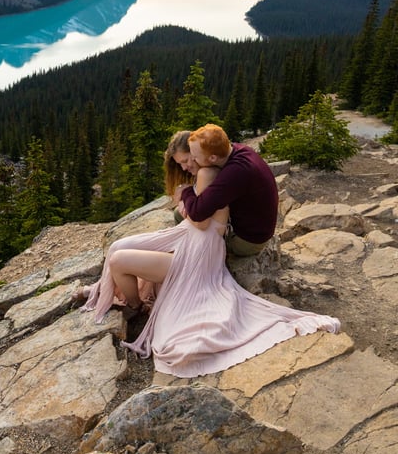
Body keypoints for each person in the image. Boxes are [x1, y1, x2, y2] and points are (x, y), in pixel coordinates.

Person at [73, 131, 340, 378]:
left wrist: (186, 195)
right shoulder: (219, 164)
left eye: (189, 160)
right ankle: (102, 289)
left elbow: (201, 220)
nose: (186, 166)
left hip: (203, 253)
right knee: (119, 247)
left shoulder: (212, 175)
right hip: (193, 242)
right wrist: (187, 200)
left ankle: (134, 305)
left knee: (120, 257)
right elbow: (195, 215)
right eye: (182, 162)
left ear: (207, 156)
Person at [179, 123, 279, 257]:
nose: (193, 160)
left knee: (180, 214)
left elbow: (197, 213)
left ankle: (190, 258)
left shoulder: (235, 172)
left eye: (195, 157)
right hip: (259, 231)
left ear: (213, 158)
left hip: (247, 242)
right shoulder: (239, 150)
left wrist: (185, 191)